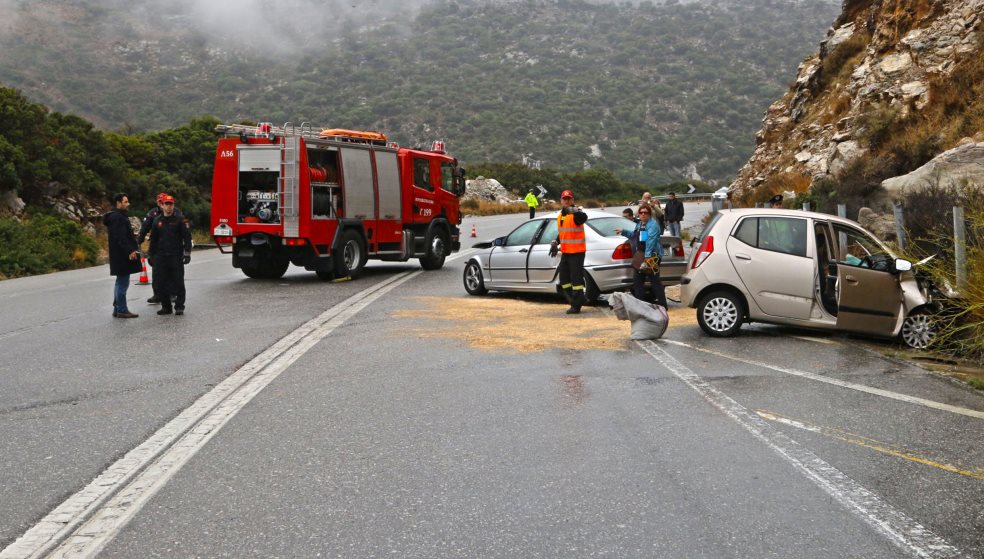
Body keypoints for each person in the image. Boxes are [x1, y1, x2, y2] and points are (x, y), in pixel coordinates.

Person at [616, 204, 667, 308]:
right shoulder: (640, 224)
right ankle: (641, 305)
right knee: (638, 280)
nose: (643, 214)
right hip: (640, 254)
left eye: (646, 212)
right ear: (639, 214)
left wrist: (647, 257)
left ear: (649, 214)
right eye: (641, 212)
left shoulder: (653, 225)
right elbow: (635, 236)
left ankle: (663, 305)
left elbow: (651, 241)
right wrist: (623, 231)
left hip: (652, 256)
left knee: (655, 281)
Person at [148, 195, 192, 315]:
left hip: (176, 256)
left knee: (178, 282)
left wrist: (187, 253)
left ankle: (179, 306)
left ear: (173, 205)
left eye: (171, 204)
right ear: (162, 205)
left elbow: (187, 238)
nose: (169, 206)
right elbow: (154, 240)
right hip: (161, 256)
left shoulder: (180, 220)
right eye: (166, 204)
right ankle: (166, 307)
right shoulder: (157, 221)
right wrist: (150, 255)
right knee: (161, 282)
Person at [138, 193, 183, 304]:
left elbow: (184, 231)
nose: (160, 204)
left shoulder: (176, 212)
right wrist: (139, 242)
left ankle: (172, 294)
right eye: (159, 202)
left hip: (173, 247)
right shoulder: (152, 214)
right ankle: (157, 294)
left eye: (162, 201)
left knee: (172, 272)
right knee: (157, 273)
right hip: (158, 248)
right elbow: (145, 228)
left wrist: (185, 249)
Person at [548, 189, 588, 314]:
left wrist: (574, 210)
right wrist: (555, 242)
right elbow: (563, 233)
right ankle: (578, 299)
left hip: (577, 252)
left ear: (572, 200)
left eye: (568, 199)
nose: (566, 201)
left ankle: (576, 306)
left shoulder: (576, 214)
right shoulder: (561, 215)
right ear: (561, 200)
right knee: (564, 279)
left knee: (576, 281)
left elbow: (583, 217)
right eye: (564, 199)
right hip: (566, 252)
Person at [103, 193, 141, 318]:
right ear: (118, 203)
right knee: (123, 282)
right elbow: (120, 238)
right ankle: (122, 309)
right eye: (125, 202)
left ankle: (117, 308)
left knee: (120, 281)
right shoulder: (117, 218)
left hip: (119, 254)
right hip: (121, 256)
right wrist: (130, 250)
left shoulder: (118, 216)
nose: (128, 204)